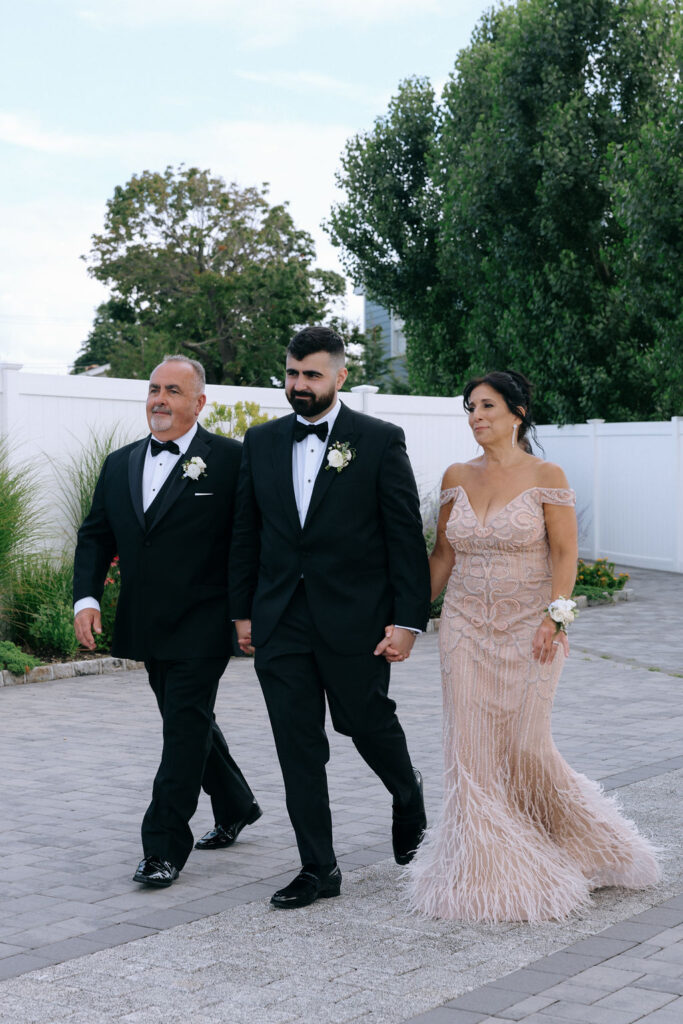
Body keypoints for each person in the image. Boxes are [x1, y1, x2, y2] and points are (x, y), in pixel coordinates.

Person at [406, 370, 659, 922]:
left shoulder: (548, 475)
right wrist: (406, 618)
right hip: (465, 629)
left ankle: (587, 843)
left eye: (488, 406)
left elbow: (566, 554)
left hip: (531, 631)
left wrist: (556, 619)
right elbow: (444, 556)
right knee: (471, 750)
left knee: (525, 745)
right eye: (470, 408)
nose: (476, 417)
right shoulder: (455, 476)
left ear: (517, 413)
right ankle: (487, 870)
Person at [230, 326, 431, 909]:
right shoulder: (261, 442)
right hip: (280, 622)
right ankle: (319, 867)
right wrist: (242, 612)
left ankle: (406, 792)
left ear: (340, 376)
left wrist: (407, 621)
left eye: (312, 375)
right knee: (298, 746)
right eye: (292, 373)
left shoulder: (378, 440)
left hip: (355, 620)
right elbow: (247, 534)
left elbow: (404, 539)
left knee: (365, 723)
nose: (299, 385)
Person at [73, 355, 260, 888]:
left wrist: (248, 611)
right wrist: (86, 598)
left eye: (173, 390)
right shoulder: (120, 463)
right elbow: (95, 537)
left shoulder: (230, 460)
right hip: (146, 621)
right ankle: (237, 803)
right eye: (154, 388)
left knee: (182, 727)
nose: (160, 398)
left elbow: (248, 542)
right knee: (189, 719)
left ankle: (162, 846)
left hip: (204, 620)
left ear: (199, 403)